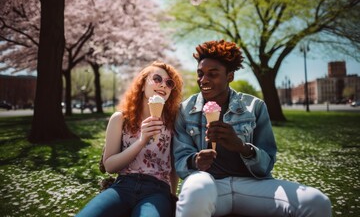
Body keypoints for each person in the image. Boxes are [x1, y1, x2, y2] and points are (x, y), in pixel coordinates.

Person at [173, 40, 332, 217]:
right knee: (196, 189)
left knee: (316, 201)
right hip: (210, 184)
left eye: (213, 74)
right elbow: (180, 160)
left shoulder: (254, 106)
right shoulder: (186, 110)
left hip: (250, 184)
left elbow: (266, 165)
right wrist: (196, 161)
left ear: (230, 76)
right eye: (200, 74)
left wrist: (242, 147)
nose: (204, 80)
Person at [77, 61, 183, 217]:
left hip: (157, 191)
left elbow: (173, 166)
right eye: (157, 79)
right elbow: (110, 166)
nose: (163, 85)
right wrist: (141, 141)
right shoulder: (120, 119)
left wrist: (172, 196)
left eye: (169, 82)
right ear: (141, 84)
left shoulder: (172, 123)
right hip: (122, 187)